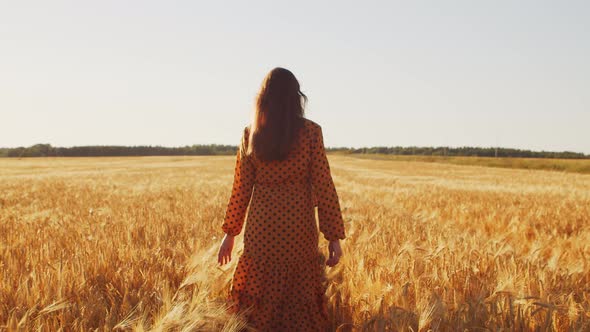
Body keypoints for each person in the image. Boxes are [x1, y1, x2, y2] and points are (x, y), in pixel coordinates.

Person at [217, 67, 346, 331]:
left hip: (262, 232)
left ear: (263, 98)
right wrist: (333, 236)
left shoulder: (250, 134)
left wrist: (230, 233)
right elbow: (324, 185)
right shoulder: (310, 132)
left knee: (258, 303)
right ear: (295, 98)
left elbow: (241, 188)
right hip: (299, 231)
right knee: (299, 302)